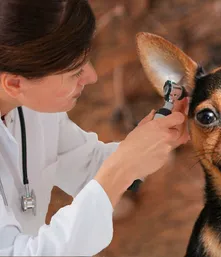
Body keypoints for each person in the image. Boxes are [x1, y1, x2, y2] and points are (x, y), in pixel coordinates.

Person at [0, 0, 189, 256]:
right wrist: (123, 167)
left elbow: (88, 167)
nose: (92, 77)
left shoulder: (31, 109)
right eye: (75, 72)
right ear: (14, 84)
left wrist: (154, 138)